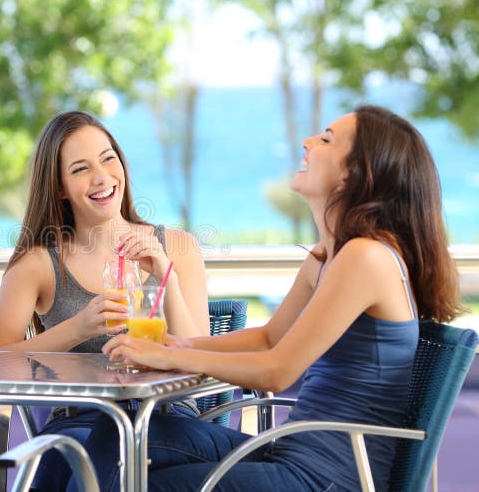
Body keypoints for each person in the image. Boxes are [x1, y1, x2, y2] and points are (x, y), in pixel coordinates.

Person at [72, 105, 466, 491]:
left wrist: (168, 357)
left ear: (354, 175)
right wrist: (185, 343)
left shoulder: (366, 257)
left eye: (326, 139)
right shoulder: (328, 257)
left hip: (327, 477)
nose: (308, 141)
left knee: (138, 477)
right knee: (118, 436)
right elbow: (268, 338)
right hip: (292, 453)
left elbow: (278, 370)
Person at [0, 110, 210, 491]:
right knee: (76, 465)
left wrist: (164, 275)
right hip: (80, 421)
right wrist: (77, 328)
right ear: (59, 188)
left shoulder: (178, 248)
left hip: (166, 420)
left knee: (88, 474)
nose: (102, 177)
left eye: (108, 158)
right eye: (80, 169)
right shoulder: (40, 263)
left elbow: (202, 358)